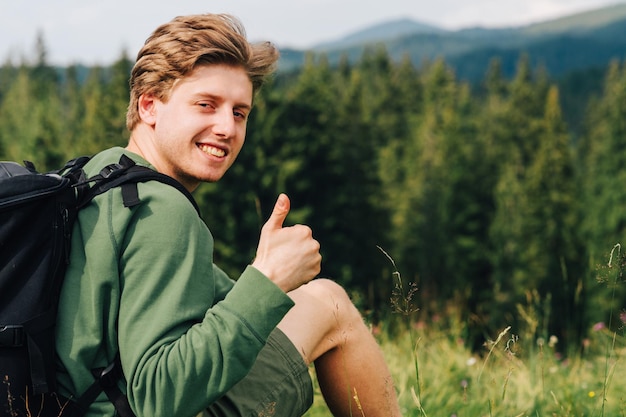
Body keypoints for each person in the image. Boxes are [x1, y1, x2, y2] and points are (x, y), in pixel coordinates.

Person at [55, 13, 402, 417]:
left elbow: (195, 295)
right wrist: (267, 279)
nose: (227, 127)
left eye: (239, 113)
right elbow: (158, 398)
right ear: (149, 104)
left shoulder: (96, 174)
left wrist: (267, 283)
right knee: (331, 306)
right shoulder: (163, 212)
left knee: (313, 300)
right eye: (206, 105)